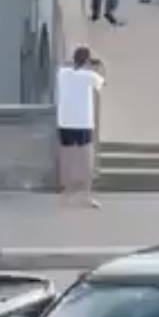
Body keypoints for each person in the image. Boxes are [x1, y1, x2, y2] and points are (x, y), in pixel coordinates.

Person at [56, 46, 105, 208]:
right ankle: (86, 195)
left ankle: (66, 193)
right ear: (87, 61)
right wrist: (96, 65)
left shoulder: (63, 74)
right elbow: (102, 82)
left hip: (65, 121)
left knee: (68, 158)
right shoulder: (90, 76)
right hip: (83, 122)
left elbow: (64, 66)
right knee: (86, 161)